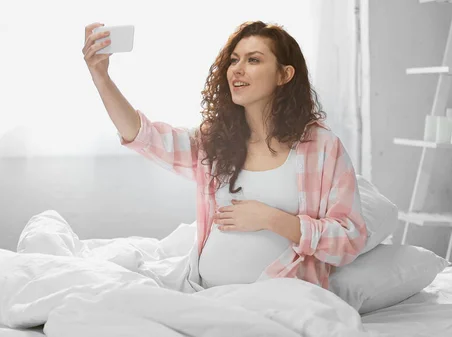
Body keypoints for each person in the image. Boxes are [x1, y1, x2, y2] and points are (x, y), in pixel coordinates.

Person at [82, 20, 367, 290]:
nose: (237, 70)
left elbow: (349, 238)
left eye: (253, 60)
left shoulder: (322, 147)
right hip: (203, 291)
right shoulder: (214, 141)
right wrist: (101, 78)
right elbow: (146, 137)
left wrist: (272, 219)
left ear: (284, 74)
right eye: (233, 60)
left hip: (281, 298)